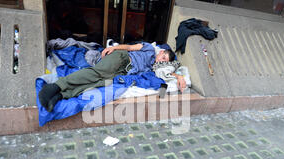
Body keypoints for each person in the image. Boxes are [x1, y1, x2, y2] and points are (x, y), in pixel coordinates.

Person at [39, 42, 181, 112]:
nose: (161, 59)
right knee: (97, 73)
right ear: (161, 51)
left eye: (164, 60)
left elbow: (165, 75)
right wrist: (114, 47)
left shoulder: (153, 68)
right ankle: (56, 86)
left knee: (100, 82)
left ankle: (62, 95)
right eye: (163, 56)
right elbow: (130, 48)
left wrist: (178, 77)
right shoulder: (149, 48)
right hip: (123, 58)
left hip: (122, 73)